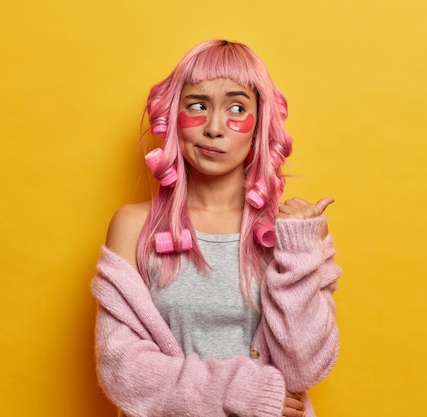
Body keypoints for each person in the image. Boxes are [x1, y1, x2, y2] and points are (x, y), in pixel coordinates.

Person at [91, 39, 342, 417]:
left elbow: (303, 368)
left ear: (259, 126)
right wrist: (241, 391)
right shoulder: (133, 227)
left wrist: (299, 250)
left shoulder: (293, 234)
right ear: (174, 116)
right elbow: (120, 369)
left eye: (237, 108)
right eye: (197, 106)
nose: (213, 128)